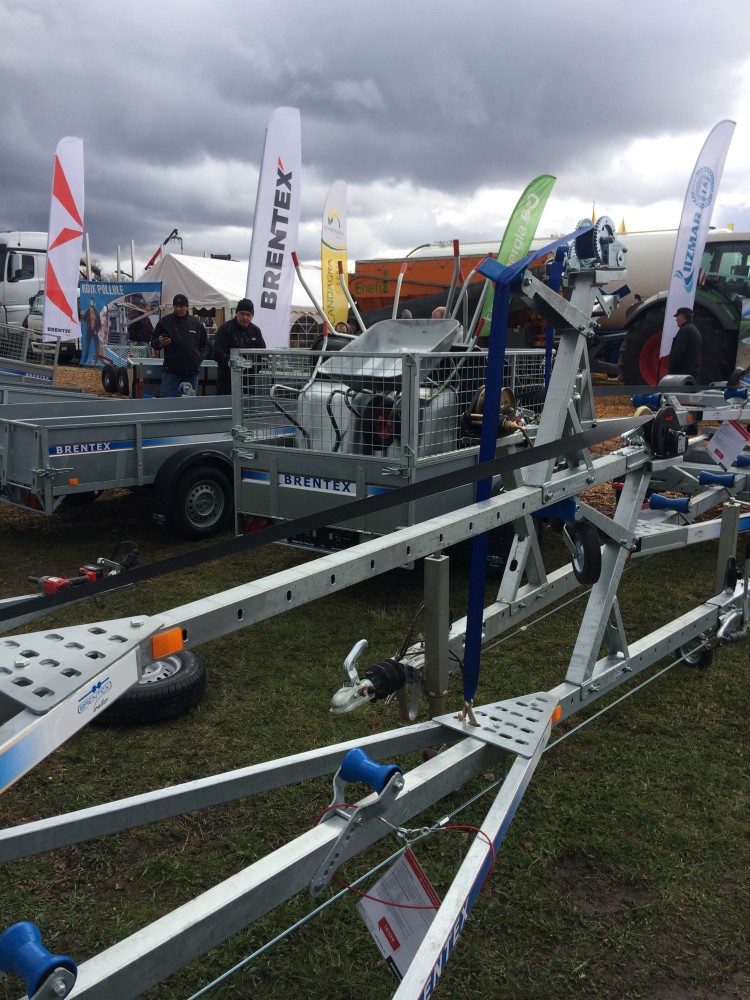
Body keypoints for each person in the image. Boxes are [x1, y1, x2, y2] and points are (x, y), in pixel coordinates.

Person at [151, 293, 209, 397]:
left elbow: (206, 345)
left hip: (192, 371)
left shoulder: (196, 323)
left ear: (187, 307)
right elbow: (153, 343)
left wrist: (199, 357)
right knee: (167, 402)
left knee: (189, 403)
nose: (178, 309)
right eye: (176, 306)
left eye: (181, 306)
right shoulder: (165, 322)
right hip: (172, 371)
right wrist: (160, 343)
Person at [212, 297, 265, 395]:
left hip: (249, 382)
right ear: (237, 313)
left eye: (248, 315)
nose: (245, 317)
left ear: (252, 316)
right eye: (242, 314)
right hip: (227, 381)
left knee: (248, 404)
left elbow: (262, 353)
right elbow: (217, 352)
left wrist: (255, 366)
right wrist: (235, 363)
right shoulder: (226, 329)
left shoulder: (256, 331)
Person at [668, 307, 702, 382]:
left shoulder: (684, 330)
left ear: (682, 317)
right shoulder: (695, 330)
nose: (676, 319)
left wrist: (671, 367)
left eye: (677, 317)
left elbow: (679, 351)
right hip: (693, 371)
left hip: (683, 372)